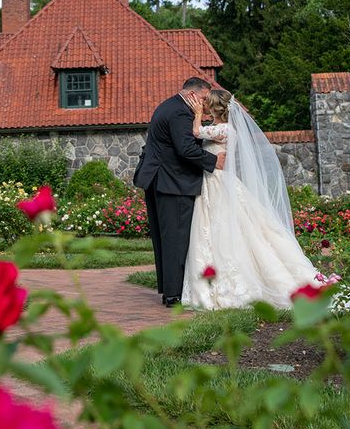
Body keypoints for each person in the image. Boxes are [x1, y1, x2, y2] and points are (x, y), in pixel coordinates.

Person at [182, 89, 319, 309]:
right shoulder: (226, 129)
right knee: (222, 227)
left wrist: (197, 113)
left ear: (216, 109)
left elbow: (197, 133)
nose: (205, 107)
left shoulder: (224, 129)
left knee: (222, 227)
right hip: (217, 179)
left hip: (217, 181)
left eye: (208, 104)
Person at [133, 77, 226, 307]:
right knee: (175, 237)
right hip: (172, 183)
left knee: (167, 237)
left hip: (162, 179)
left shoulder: (170, 105)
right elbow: (185, 149)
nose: (205, 105)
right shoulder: (180, 113)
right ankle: (173, 295)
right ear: (193, 94)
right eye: (203, 99)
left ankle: (170, 289)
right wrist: (214, 161)